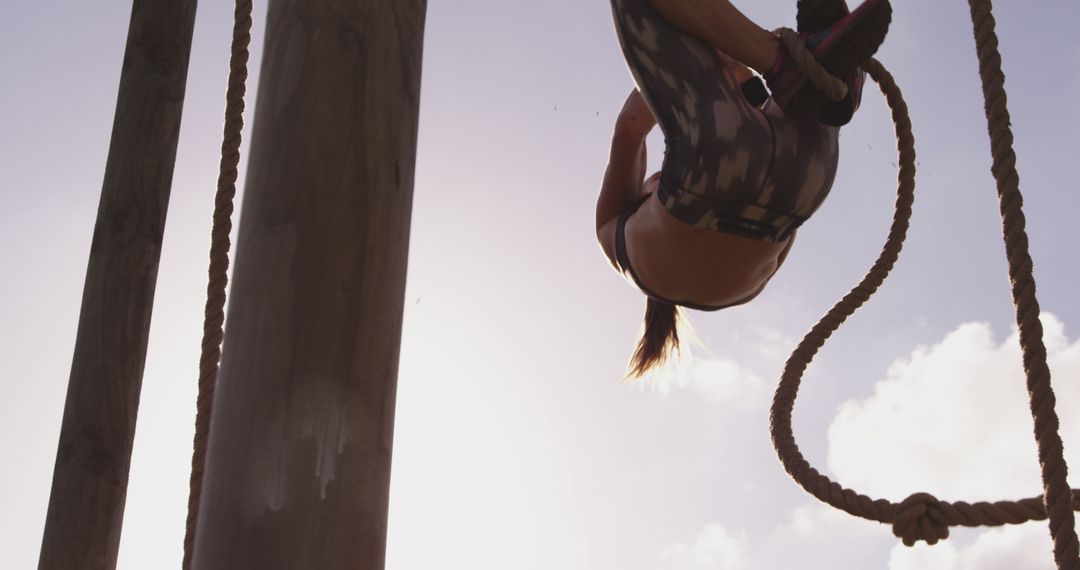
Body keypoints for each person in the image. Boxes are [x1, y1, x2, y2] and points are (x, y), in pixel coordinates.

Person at [597, 0, 892, 376]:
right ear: (646, 191)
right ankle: (795, 67)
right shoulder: (615, 238)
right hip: (707, 177)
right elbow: (629, 132)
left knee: (812, 85)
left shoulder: (739, 288)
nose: (655, 176)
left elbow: (773, 194)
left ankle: (832, 82)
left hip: (800, 185)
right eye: (655, 177)